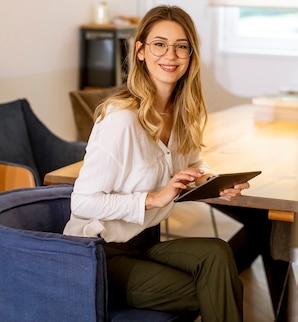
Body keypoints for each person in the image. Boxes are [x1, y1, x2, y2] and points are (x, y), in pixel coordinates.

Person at [63, 5, 249, 322]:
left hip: (144, 242)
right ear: (140, 51)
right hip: (98, 253)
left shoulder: (181, 115)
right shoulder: (120, 120)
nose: (171, 55)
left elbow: (193, 166)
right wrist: (153, 199)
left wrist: (214, 183)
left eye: (181, 46)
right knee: (213, 288)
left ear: (191, 55)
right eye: (159, 44)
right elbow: (82, 201)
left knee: (217, 254)